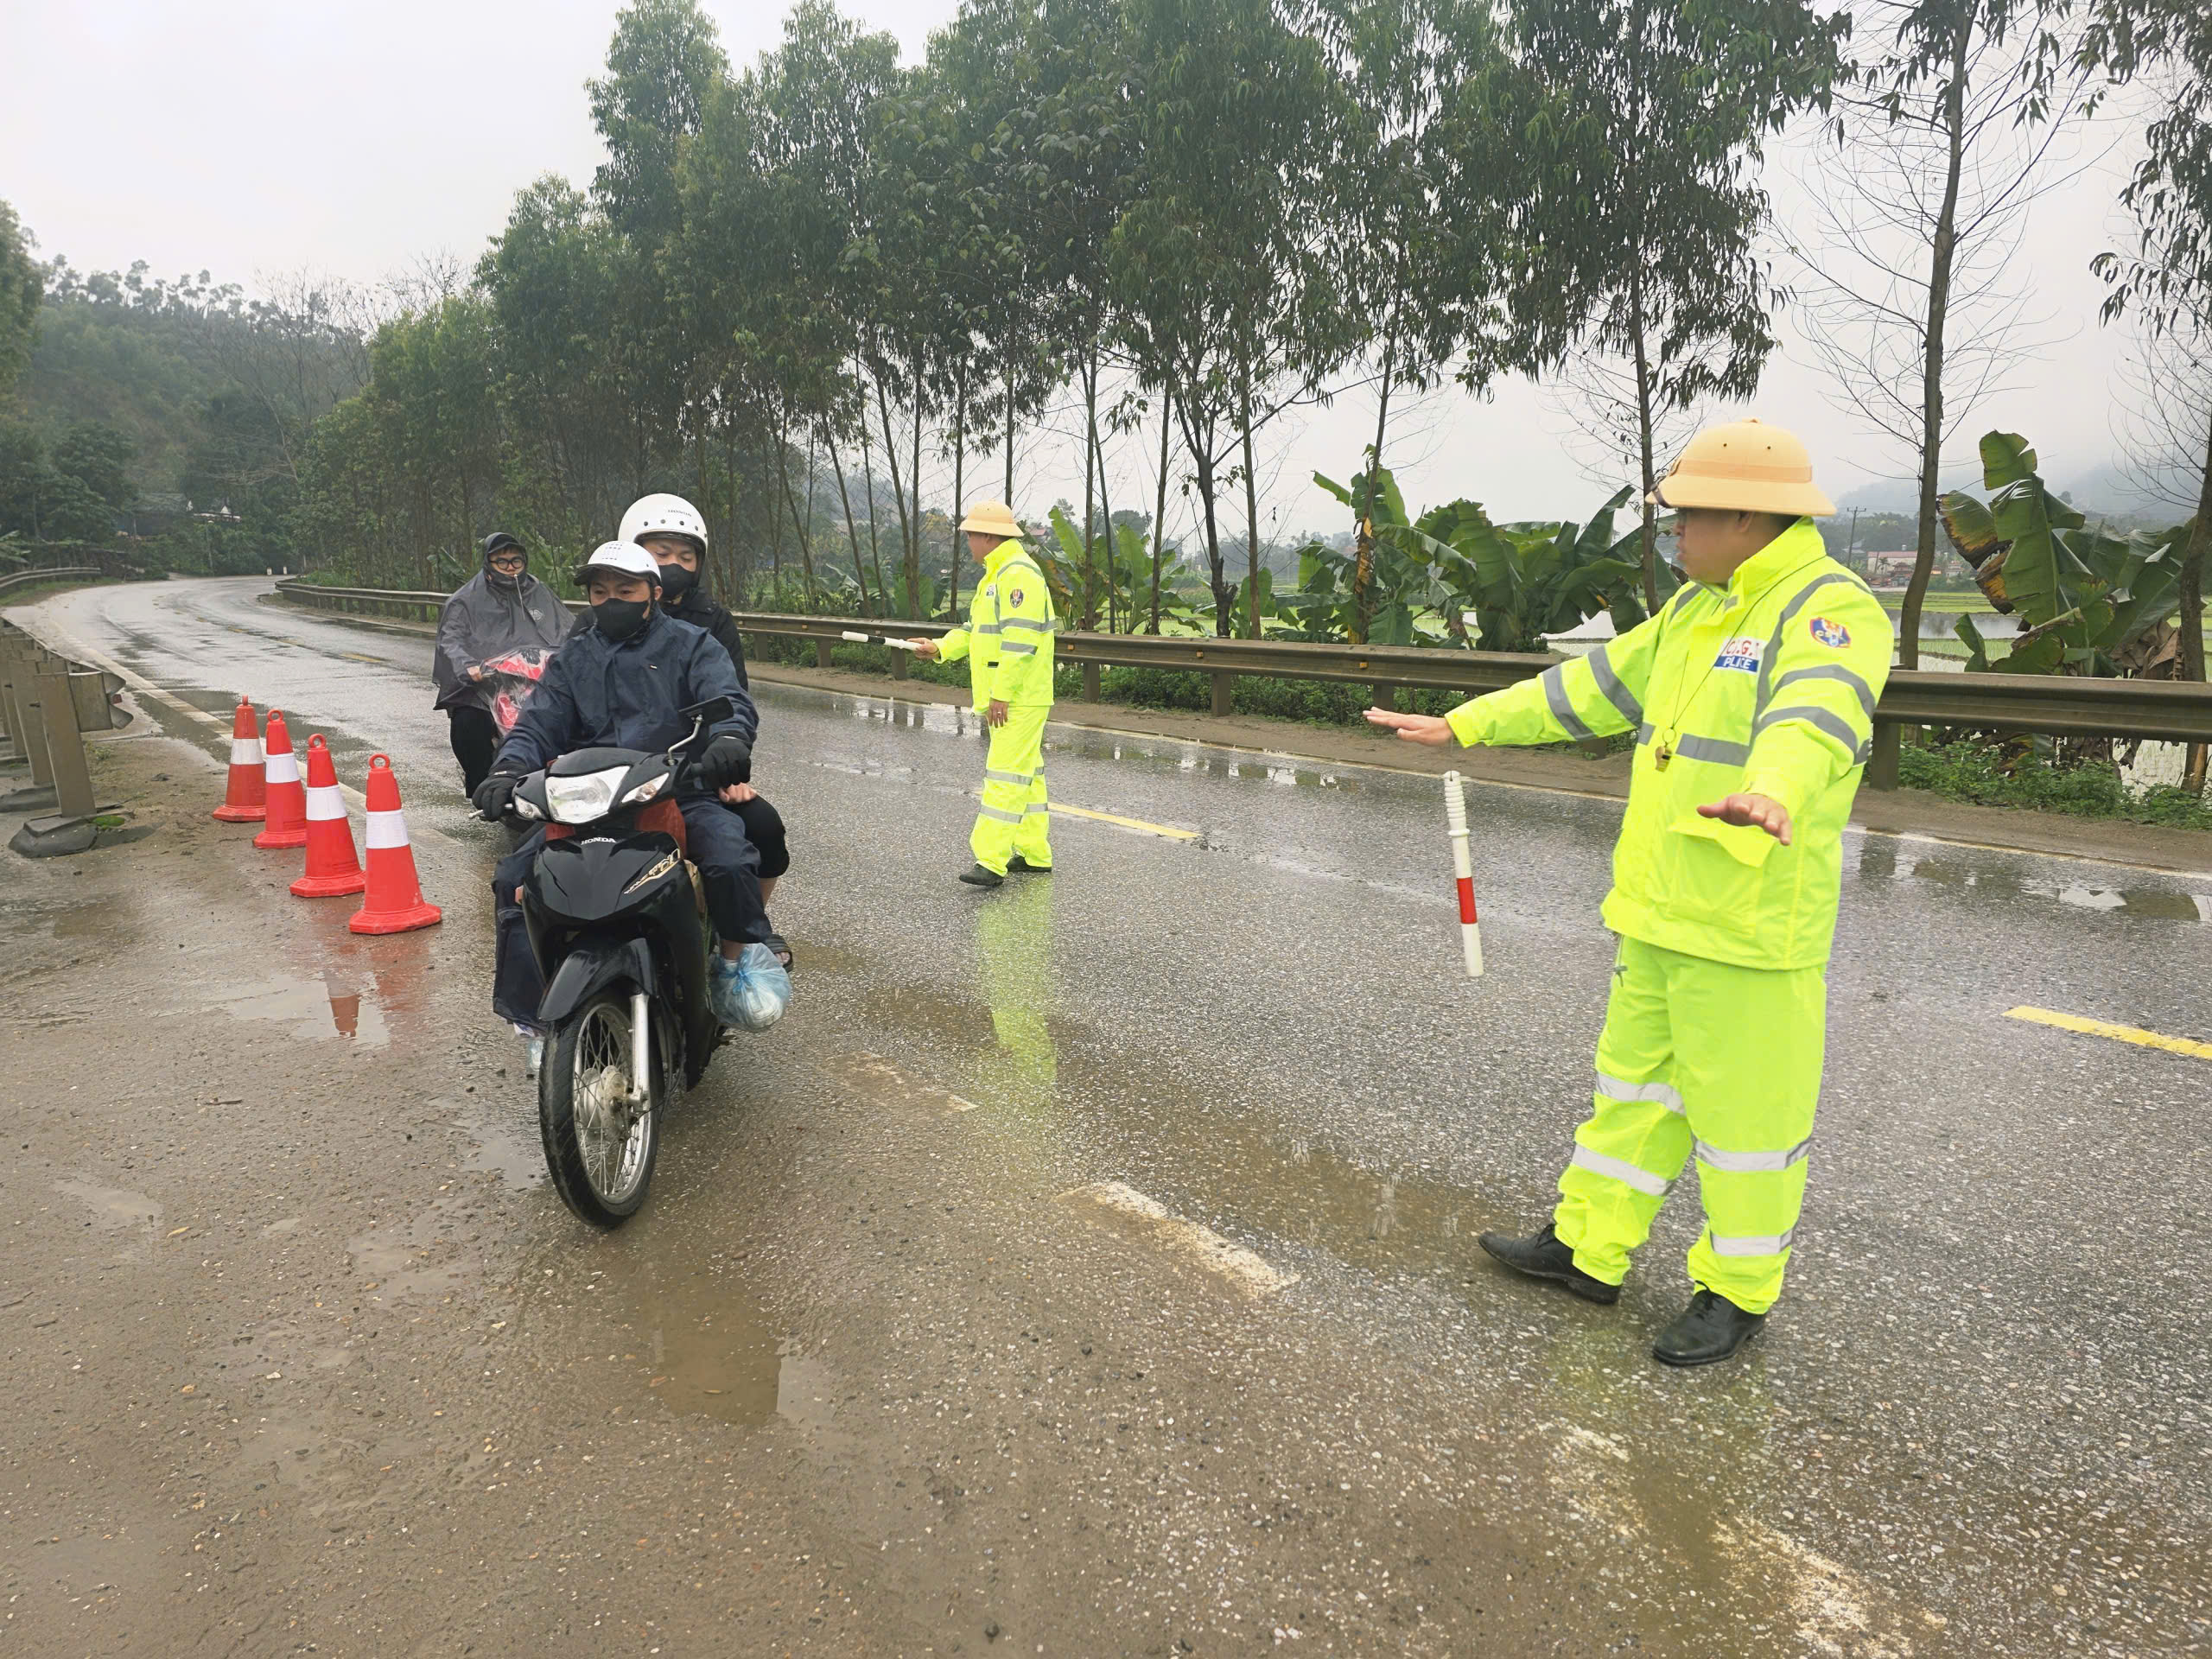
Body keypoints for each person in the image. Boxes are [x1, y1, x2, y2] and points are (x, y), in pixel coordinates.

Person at [1367, 419, 1893, 1367]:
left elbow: (1816, 714)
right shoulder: (1698, 608)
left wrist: (1774, 788)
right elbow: (1590, 689)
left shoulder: (1827, 609)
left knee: (1747, 1126)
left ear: (1747, 516)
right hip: (1657, 908)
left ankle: (1737, 1292)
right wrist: (1465, 724)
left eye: (1687, 515)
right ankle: (1588, 1248)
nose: (1674, 532)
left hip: (1746, 923)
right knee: (1631, 1095)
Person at [473, 543, 792, 1051]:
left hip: (677, 790)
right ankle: (535, 1012)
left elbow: (728, 701)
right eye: (600, 592)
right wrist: (507, 770)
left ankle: (731, 964)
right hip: (590, 800)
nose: (612, 601)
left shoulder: (693, 645)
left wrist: (729, 740)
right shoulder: (574, 659)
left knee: (731, 860)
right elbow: (538, 724)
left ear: (653, 593)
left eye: (626, 590)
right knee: (515, 879)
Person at [612, 493, 787, 903]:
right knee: (528, 862)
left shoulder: (712, 623)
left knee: (764, 829)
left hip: (691, 771)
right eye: (662, 553)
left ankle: (750, 926)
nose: (674, 564)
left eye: (686, 556)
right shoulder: (596, 625)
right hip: (612, 774)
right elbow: (556, 708)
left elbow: (732, 700)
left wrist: (728, 764)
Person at [910, 501, 1056, 889]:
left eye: (971, 535)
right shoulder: (997, 575)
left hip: (1018, 697)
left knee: (1004, 776)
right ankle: (1035, 854)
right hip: (1020, 695)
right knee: (1027, 775)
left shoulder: (1017, 575)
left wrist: (1001, 694)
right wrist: (939, 647)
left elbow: (1020, 642)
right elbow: (974, 632)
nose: (969, 542)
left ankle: (990, 861)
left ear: (989, 536)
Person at [432, 531, 569, 793]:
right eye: (502, 561)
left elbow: (566, 629)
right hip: (486, 685)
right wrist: (467, 665)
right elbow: (450, 640)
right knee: (468, 721)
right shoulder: (465, 600)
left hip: (535, 678)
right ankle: (480, 785)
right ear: (488, 563)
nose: (510, 567)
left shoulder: (540, 592)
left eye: (516, 560)